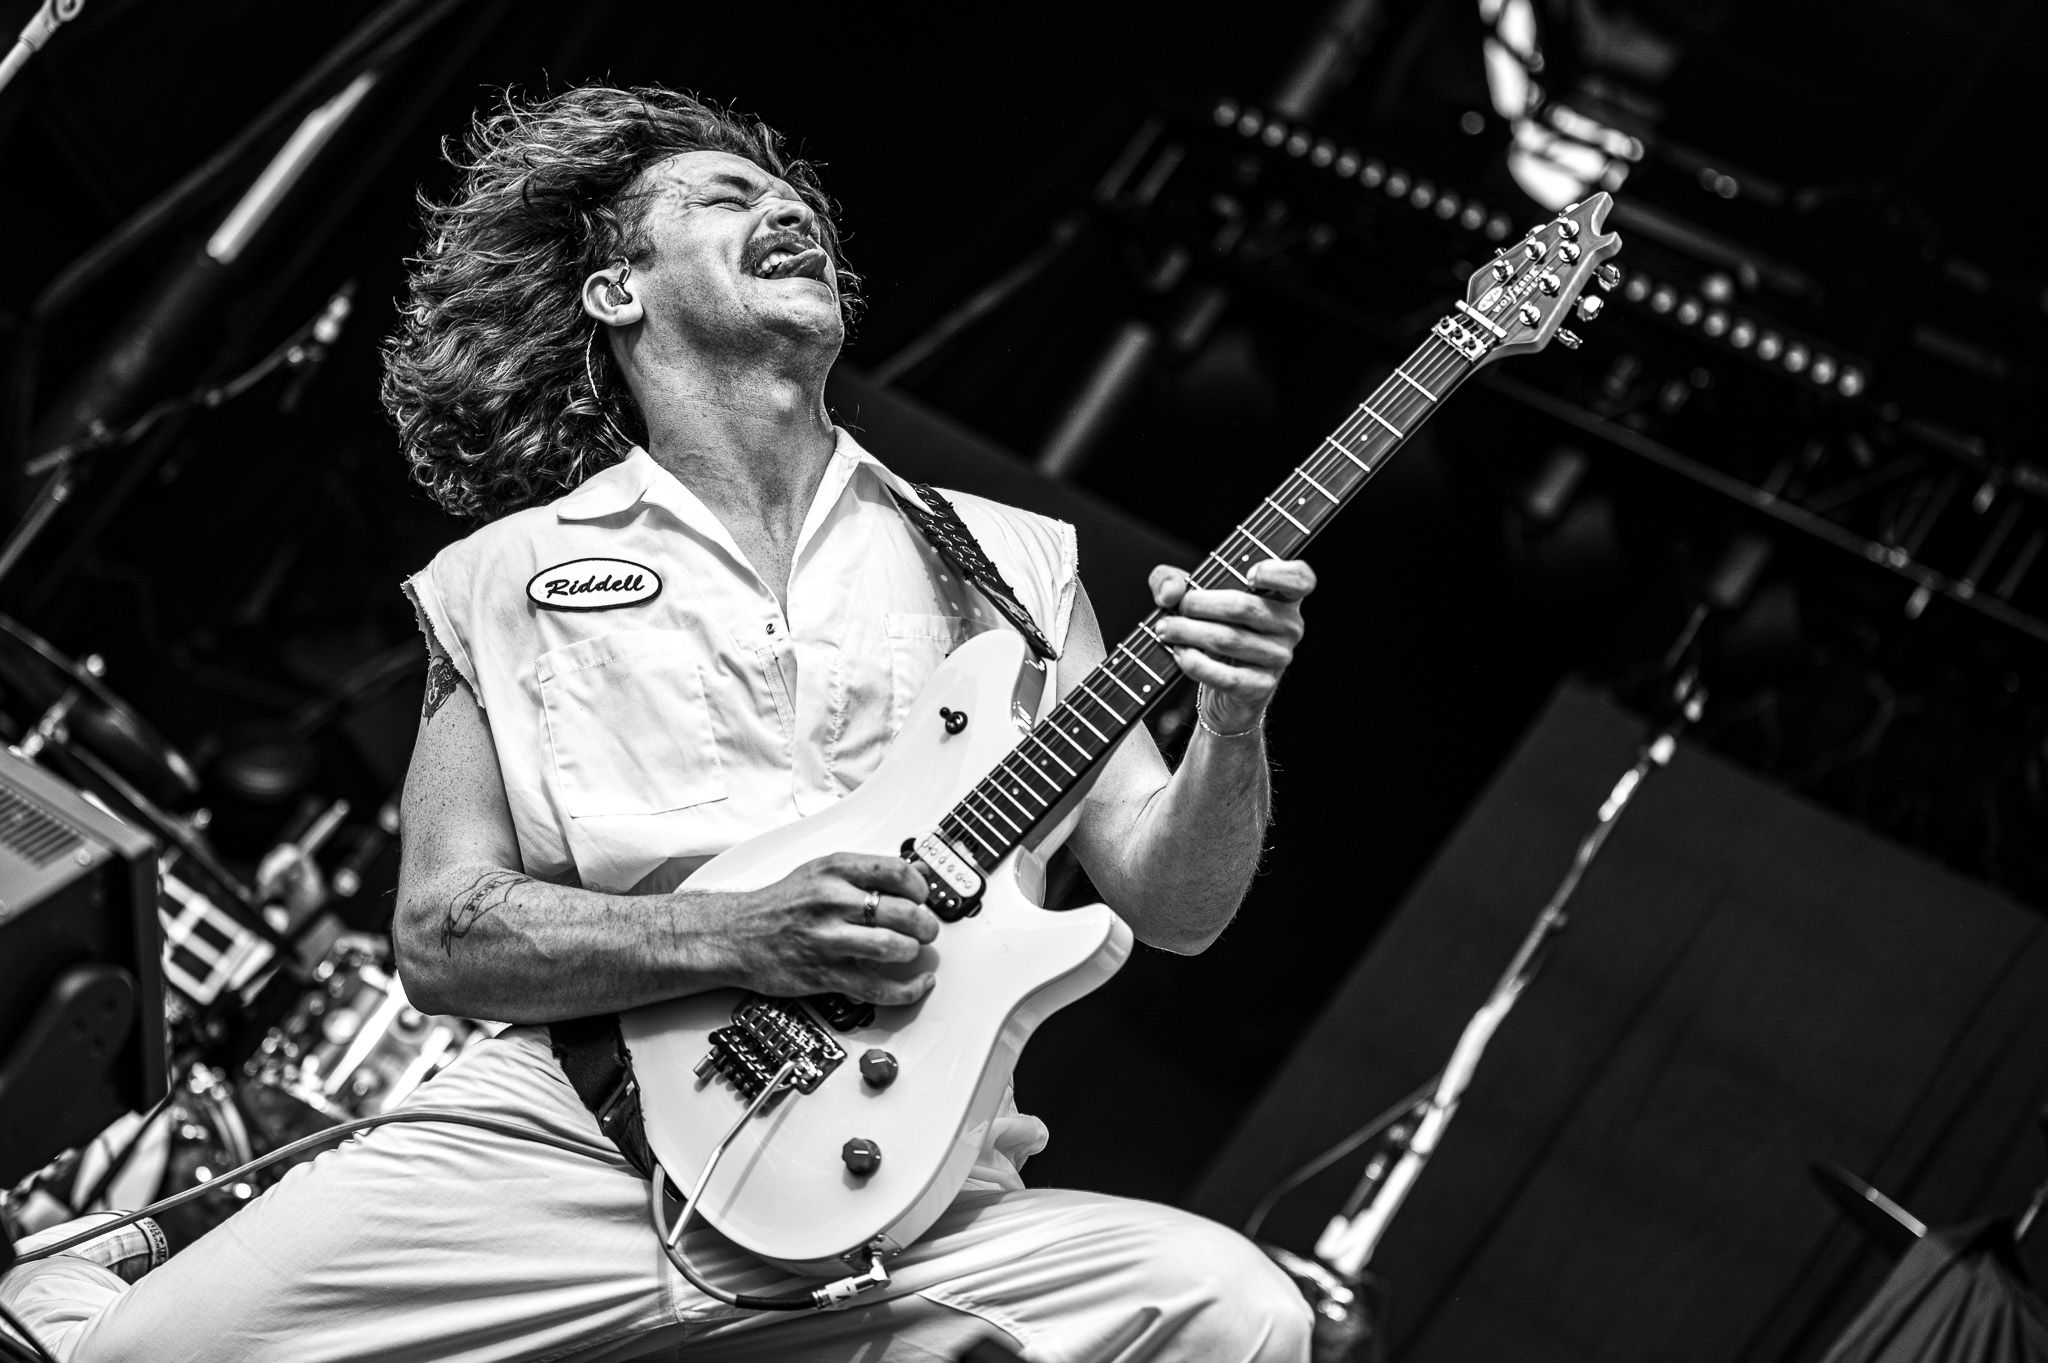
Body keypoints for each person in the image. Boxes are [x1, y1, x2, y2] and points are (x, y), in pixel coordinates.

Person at [1, 85, 1317, 1362]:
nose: (790, 208)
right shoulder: (508, 574)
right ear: (615, 291)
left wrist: (1234, 720)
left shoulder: (1015, 568)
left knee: (1235, 1312)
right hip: (557, 1142)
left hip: (907, 1191)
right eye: (727, 197)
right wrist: (738, 933)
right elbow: (441, 936)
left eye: (795, 199)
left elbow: (1175, 904)